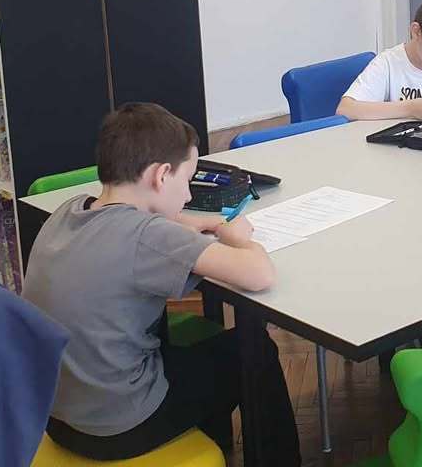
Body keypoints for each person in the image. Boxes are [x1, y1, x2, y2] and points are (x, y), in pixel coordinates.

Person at [22, 102, 300, 463]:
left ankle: (218, 441)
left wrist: (190, 223)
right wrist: (240, 239)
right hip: (119, 428)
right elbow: (260, 275)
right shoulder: (147, 238)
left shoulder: (70, 210)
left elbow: (139, 227)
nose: (188, 196)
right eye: (187, 181)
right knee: (254, 349)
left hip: (55, 416)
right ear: (161, 175)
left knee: (181, 349)